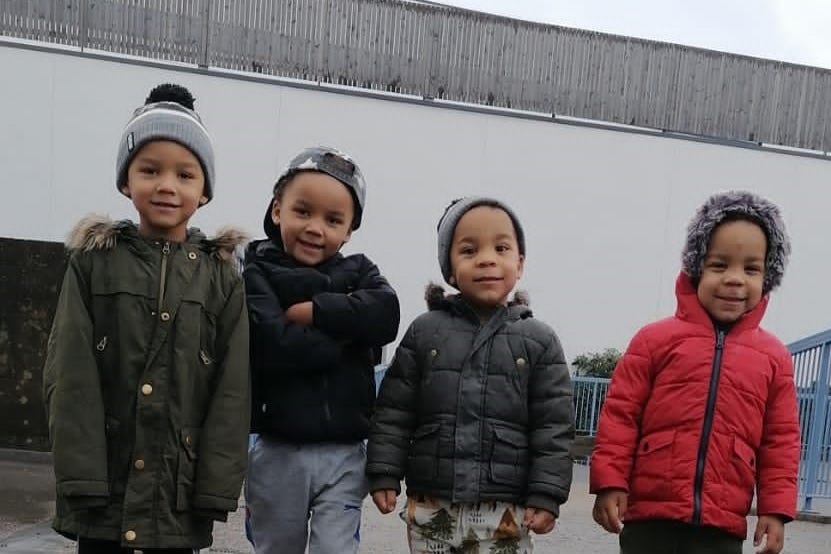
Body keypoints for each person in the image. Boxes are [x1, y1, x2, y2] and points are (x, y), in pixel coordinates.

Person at [42, 83, 251, 553]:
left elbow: (231, 392)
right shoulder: (93, 263)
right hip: (105, 483)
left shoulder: (222, 279)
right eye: (150, 170)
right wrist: (80, 474)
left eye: (185, 174)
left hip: (176, 486)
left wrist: (215, 486)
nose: (167, 186)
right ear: (126, 180)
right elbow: (69, 373)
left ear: (204, 191)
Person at [590, 191, 801, 554]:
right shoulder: (654, 340)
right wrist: (610, 482)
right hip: (649, 519)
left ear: (767, 277)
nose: (735, 279)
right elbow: (621, 416)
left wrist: (776, 509)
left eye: (750, 269)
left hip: (722, 524)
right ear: (696, 268)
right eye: (719, 265)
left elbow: (780, 440)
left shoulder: (773, 357)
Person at [366, 197, 574, 553]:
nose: (487, 258)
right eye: (469, 250)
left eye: (501, 247)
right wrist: (384, 471)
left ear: (519, 263)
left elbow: (552, 427)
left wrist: (546, 493)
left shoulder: (539, 340)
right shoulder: (424, 332)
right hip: (433, 501)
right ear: (449, 268)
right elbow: (394, 412)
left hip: (505, 506)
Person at [243, 146, 400, 554]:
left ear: (349, 230)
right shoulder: (257, 270)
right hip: (277, 449)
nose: (316, 228)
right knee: (276, 547)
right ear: (277, 210)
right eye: (303, 211)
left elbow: (386, 317)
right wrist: (349, 335)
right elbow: (274, 345)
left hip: (345, 453)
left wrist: (315, 311)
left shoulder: (361, 270)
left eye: (333, 220)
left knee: (335, 548)